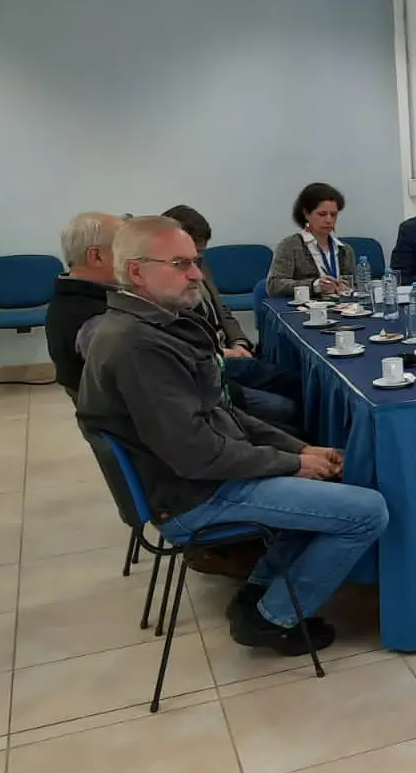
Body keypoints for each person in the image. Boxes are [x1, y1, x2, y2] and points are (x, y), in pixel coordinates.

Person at [77, 216, 387, 655]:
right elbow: (196, 454)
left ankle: (258, 592)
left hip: (200, 478)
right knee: (368, 511)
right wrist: (294, 464)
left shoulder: (154, 327)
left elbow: (223, 412)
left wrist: (299, 448)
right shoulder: (139, 346)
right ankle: (273, 617)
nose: (196, 274)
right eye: (181, 264)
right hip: (194, 495)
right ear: (136, 272)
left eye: (195, 261)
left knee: (329, 483)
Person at [162, 205, 303, 430]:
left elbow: (222, 311)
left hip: (227, 354)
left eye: (199, 255)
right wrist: (222, 352)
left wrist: (239, 342)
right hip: (212, 365)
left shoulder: (199, 264)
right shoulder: (163, 290)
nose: (196, 268)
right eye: (189, 258)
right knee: (284, 405)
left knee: (296, 381)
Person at [46, 212, 124, 398]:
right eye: (125, 249)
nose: (134, 257)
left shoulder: (68, 297)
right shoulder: (95, 321)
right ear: (96, 256)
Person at [266, 183, 356, 297]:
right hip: (304, 307)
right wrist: (315, 285)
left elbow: (355, 284)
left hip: (340, 306)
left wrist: (346, 286)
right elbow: (274, 285)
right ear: (306, 214)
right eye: (322, 214)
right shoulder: (290, 246)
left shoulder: (345, 250)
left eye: (333, 215)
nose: (329, 220)